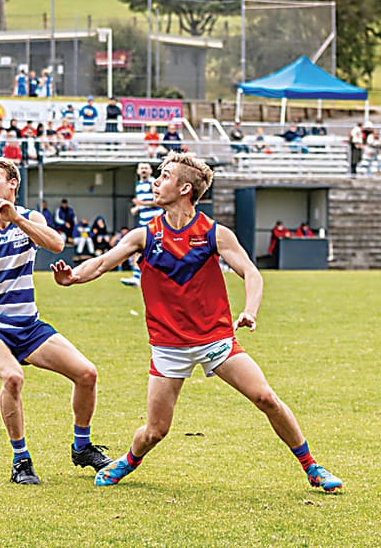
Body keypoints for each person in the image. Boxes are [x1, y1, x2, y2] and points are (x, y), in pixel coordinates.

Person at [51, 153, 342, 493]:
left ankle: (312, 467)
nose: (155, 181)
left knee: (266, 398)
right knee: (155, 431)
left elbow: (250, 272)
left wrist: (250, 310)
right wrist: (72, 277)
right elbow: (100, 263)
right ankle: (128, 461)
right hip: (168, 347)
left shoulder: (215, 234)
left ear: (185, 188)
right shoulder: (144, 236)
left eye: (164, 176)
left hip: (216, 340)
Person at [0, 158, 112, 485]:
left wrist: (14, 218)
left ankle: (82, 447)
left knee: (87, 373)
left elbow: (56, 245)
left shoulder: (29, 218)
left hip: (28, 325)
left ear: (13, 183)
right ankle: (20, 460)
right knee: (12, 377)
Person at [122, 162, 164, 287]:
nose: (144, 170)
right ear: (138, 171)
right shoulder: (139, 185)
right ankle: (137, 277)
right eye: (141, 168)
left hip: (155, 222)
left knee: (154, 251)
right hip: (143, 222)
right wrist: (137, 208)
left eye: (146, 168)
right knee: (139, 249)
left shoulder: (154, 183)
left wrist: (141, 203)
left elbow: (159, 202)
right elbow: (144, 203)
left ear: (151, 171)